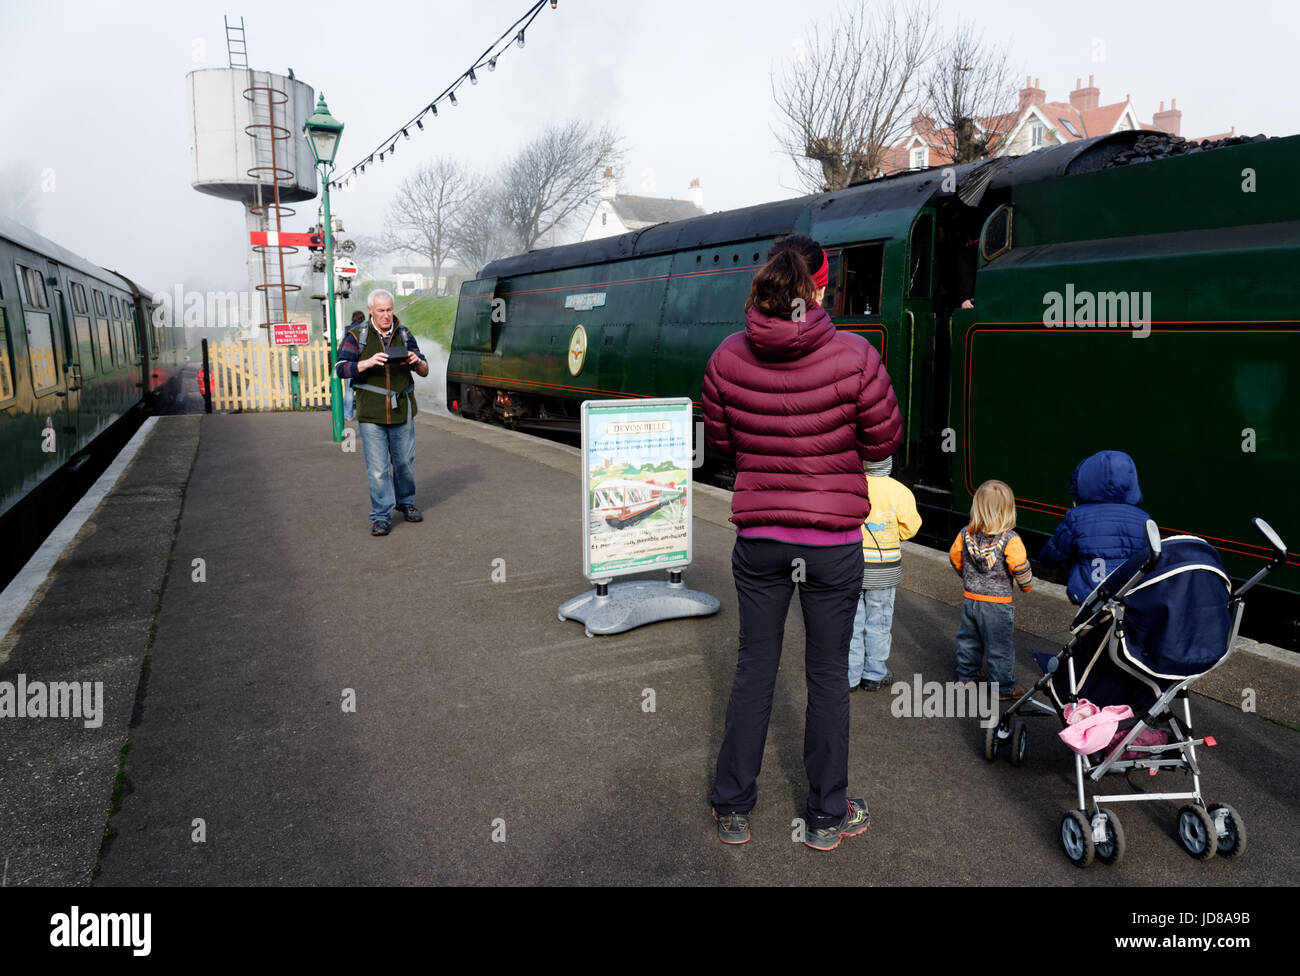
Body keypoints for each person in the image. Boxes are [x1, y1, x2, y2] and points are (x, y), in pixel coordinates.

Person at [704, 234, 902, 852]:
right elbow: (880, 445)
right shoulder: (855, 357)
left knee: (753, 671)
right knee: (826, 678)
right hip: (833, 544)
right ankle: (825, 816)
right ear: (821, 285)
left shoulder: (727, 357)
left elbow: (722, 447)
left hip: (760, 541)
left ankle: (733, 807)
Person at [334, 290, 429, 536]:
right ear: (371, 311)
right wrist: (366, 363)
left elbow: (425, 369)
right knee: (378, 469)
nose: (386, 315)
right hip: (372, 413)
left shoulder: (405, 334)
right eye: (380, 311)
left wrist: (415, 361)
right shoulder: (357, 336)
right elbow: (340, 368)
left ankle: (406, 503)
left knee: (404, 463)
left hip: (403, 408)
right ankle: (381, 516)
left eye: (389, 310)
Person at [949, 480, 1032, 701]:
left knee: (969, 641)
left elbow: (955, 559)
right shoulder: (1010, 539)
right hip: (998, 604)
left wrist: (966, 576)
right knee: (999, 647)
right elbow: (1020, 567)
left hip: (970, 600)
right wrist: (1027, 586)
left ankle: (965, 679)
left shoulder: (965, 533)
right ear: (1008, 510)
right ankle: (1003, 688)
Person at [1037, 450, 1150, 604]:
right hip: (1128, 594)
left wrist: (1046, 561)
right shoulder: (1143, 519)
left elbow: (1053, 553)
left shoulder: (1078, 517)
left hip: (1089, 596)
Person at [848, 456, 921, 692]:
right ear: (889, 464)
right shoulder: (900, 491)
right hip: (884, 572)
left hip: (853, 567)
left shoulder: (852, 485)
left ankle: (850, 675)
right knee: (879, 622)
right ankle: (874, 674)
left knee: (852, 622)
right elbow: (910, 528)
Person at [341, 311, 365, 421]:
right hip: (362, 363)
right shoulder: (365, 329)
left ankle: (348, 415)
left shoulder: (347, 329)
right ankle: (364, 414)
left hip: (349, 362)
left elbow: (343, 344)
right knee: (365, 389)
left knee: (349, 390)